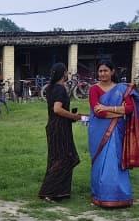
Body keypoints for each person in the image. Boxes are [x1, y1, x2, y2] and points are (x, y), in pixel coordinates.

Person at [88, 59, 139, 208]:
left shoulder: (121, 89)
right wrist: (119, 111)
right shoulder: (94, 89)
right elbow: (98, 112)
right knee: (100, 161)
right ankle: (101, 195)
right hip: (98, 131)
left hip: (117, 130)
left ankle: (120, 196)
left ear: (112, 72)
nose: (102, 73)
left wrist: (107, 107)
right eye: (100, 71)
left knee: (116, 161)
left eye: (105, 70)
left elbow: (129, 109)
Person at [38, 62, 81, 201]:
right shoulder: (59, 89)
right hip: (59, 127)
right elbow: (57, 109)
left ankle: (60, 192)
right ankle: (49, 191)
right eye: (66, 71)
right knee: (66, 158)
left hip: (54, 126)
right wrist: (73, 116)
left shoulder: (50, 88)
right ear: (63, 73)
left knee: (57, 158)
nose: (67, 74)